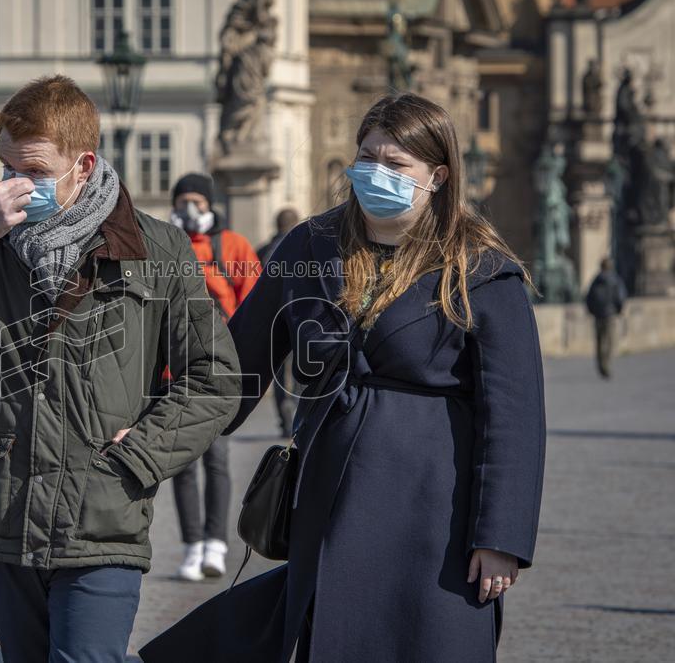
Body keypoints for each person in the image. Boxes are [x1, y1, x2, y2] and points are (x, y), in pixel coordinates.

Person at [140, 93, 547, 663]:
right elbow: (233, 369)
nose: (376, 172)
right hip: (331, 496)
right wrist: (148, 437)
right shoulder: (311, 245)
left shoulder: (479, 267)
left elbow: (514, 418)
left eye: (396, 163)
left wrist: (500, 538)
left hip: (438, 507)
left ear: (438, 175)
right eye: (367, 157)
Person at [0, 75, 242, 663]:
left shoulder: (157, 249)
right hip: (1, 516)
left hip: (102, 515)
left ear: (84, 165)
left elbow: (216, 378)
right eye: (7, 167)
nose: (15, 186)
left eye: (34, 171)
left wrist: (139, 457)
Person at [168, 172, 262, 581]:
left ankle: (216, 544)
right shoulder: (164, 244)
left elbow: (255, 307)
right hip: (174, 372)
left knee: (217, 459)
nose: (190, 207)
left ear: (210, 204)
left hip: (219, 371)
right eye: (183, 200)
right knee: (183, 463)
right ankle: (192, 545)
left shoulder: (234, 246)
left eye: (198, 200)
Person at [256, 208, 301, 437]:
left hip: (273, 320)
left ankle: (285, 422)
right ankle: (299, 420)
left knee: (279, 374)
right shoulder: (304, 246)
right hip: (300, 318)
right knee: (302, 371)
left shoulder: (264, 250)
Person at [585, 256, 627, 378]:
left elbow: (589, 297)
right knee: (609, 341)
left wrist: (592, 311)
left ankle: (600, 364)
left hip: (598, 315)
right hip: (610, 315)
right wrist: (619, 310)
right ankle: (606, 364)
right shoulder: (615, 280)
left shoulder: (596, 280)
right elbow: (620, 297)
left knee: (599, 341)